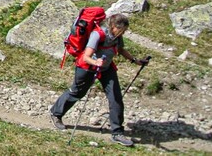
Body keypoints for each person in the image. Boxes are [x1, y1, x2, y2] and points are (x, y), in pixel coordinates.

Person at [49, 12, 146, 147]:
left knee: (115, 98)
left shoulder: (117, 36)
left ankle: (117, 133)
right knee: (77, 92)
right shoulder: (97, 34)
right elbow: (86, 56)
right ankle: (55, 113)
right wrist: (96, 63)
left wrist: (135, 60)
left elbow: (121, 49)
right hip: (87, 68)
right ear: (113, 26)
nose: (123, 32)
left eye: (125, 30)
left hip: (107, 69)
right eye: (122, 29)